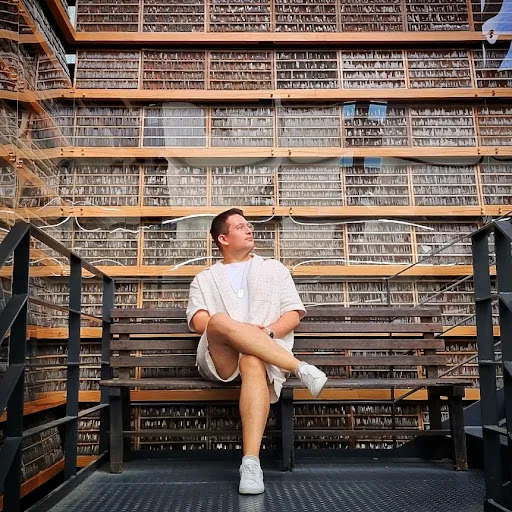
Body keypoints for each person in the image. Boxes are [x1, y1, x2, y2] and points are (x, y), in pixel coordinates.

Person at [186, 208, 328, 495]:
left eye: (249, 225)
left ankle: (250, 465)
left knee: (252, 360)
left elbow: (292, 314)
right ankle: (299, 367)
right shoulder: (205, 278)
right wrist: (239, 332)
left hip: (264, 354)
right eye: (240, 227)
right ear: (223, 238)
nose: (249, 229)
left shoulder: (274, 269)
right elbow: (200, 321)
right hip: (221, 356)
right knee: (218, 320)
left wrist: (267, 333)